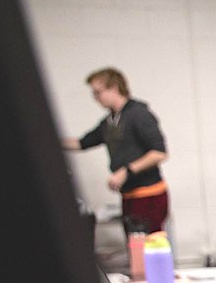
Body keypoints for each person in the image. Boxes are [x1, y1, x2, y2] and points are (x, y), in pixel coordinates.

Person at [61, 67, 169, 239]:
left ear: (114, 88)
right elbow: (82, 143)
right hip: (128, 195)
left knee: (148, 251)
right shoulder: (110, 122)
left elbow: (159, 153)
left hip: (149, 195)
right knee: (135, 250)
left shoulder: (138, 114)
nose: (96, 98)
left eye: (98, 92)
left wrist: (127, 171)